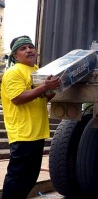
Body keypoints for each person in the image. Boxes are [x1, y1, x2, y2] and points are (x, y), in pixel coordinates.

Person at [1, 36, 61, 199]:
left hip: (37, 132)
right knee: (17, 177)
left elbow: (42, 97)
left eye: (30, 47)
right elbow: (18, 98)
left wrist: (53, 89)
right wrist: (44, 87)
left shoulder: (36, 70)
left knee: (30, 177)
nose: (29, 50)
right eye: (23, 49)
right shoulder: (14, 72)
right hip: (23, 133)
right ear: (15, 56)